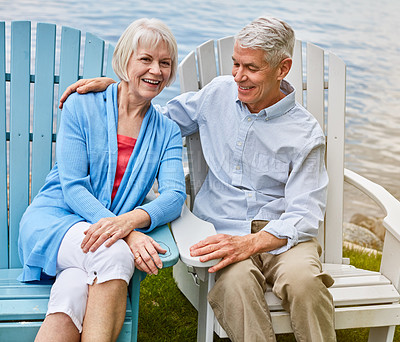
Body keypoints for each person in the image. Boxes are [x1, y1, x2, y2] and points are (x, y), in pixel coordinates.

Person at [59, 16, 336, 342]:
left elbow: (305, 213)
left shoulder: (305, 132)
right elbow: (154, 118)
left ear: (283, 68)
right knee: (237, 285)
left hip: (281, 236)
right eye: (235, 64)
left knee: (304, 282)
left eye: (251, 68)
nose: (238, 76)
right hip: (221, 229)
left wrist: (251, 243)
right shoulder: (217, 94)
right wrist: (119, 86)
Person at [18, 18, 186, 342]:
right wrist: (127, 237)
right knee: (116, 255)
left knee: (71, 295)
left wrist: (130, 223)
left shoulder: (167, 132)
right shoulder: (82, 106)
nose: (156, 70)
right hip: (56, 221)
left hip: (100, 239)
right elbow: (74, 187)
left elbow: (175, 195)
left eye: (165, 63)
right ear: (126, 60)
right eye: (146, 59)